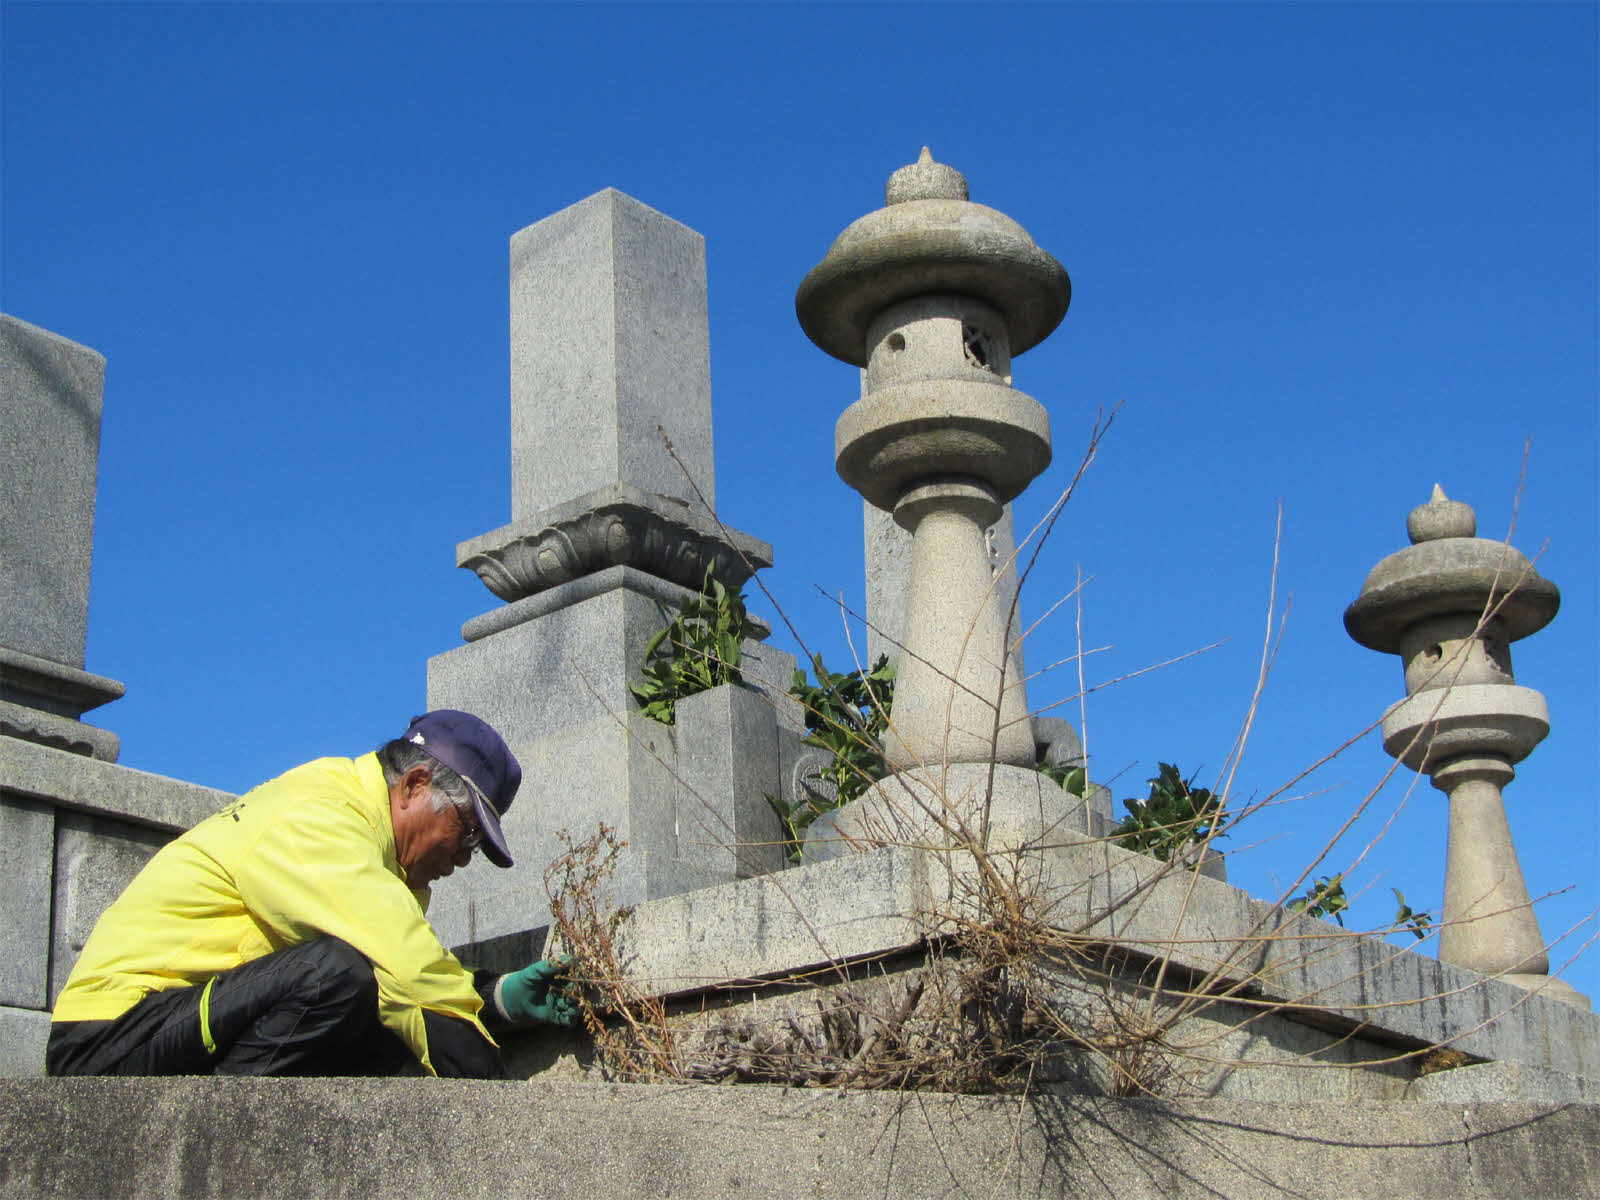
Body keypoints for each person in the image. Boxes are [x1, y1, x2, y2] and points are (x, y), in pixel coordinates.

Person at [47, 710, 575, 1078]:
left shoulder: (371, 847)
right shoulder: (322, 813)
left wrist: (495, 998)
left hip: (176, 1026)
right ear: (414, 784)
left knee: (370, 1003)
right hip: (108, 1039)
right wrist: (507, 1118)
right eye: (467, 831)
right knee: (338, 974)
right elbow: (409, 972)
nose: (464, 857)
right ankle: (215, 1145)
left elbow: (406, 983)